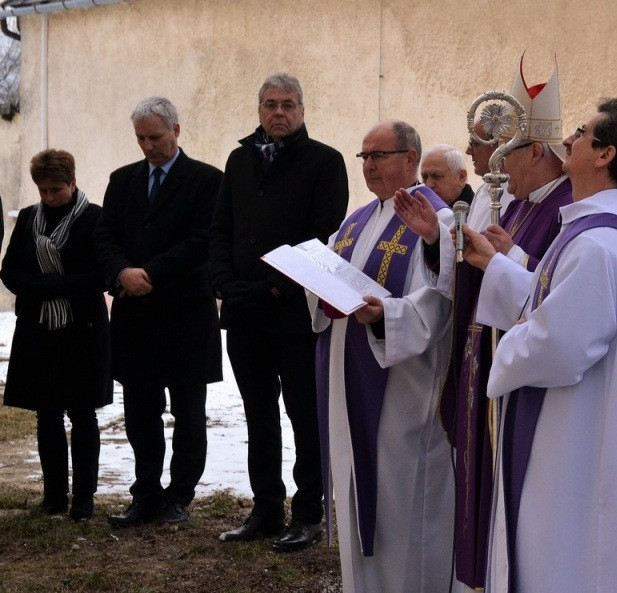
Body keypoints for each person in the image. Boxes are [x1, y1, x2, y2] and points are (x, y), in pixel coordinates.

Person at [463, 99, 617, 592]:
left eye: (581, 132)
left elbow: (558, 345)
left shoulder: (597, 243)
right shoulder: (611, 234)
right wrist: (495, 265)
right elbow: (553, 301)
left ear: (605, 155)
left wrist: (503, 356)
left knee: (572, 557)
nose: (567, 140)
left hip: (575, 439)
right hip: (595, 423)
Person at [395, 58, 573, 591]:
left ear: (535, 151)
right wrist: (437, 241)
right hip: (482, 364)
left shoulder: (566, 209)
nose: (492, 164)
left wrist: (506, 258)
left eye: (503, 151)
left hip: (524, 378)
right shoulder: (511, 202)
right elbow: (471, 281)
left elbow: (556, 295)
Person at [309, 120, 455, 593]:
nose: (369, 165)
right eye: (364, 156)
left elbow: (441, 301)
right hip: (348, 378)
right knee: (356, 486)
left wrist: (385, 316)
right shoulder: (356, 221)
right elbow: (332, 282)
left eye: (379, 155)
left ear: (410, 158)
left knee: (401, 501)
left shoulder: (437, 220)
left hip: (403, 390)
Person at [210, 73, 349, 550]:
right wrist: (223, 283)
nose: (279, 113)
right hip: (243, 312)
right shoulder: (239, 159)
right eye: (270, 104)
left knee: (304, 415)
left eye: (288, 105)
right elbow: (221, 228)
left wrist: (274, 287)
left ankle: (308, 513)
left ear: (303, 111)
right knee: (258, 415)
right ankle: (266, 508)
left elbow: (323, 236)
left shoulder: (324, 162)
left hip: (293, 312)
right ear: (259, 110)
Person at [94, 97, 223, 527]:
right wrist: (121, 273)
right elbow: (105, 236)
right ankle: (145, 493)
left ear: (176, 131)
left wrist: (148, 273)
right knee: (140, 415)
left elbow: (203, 242)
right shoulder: (122, 180)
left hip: (186, 316)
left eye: (155, 137)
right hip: (135, 318)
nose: (148, 146)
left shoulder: (207, 181)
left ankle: (179, 496)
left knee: (189, 415)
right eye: (141, 139)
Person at [1, 149, 112, 522]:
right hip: (39, 329)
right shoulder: (29, 218)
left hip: (83, 330)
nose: (49, 197)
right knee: (46, 413)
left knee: (82, 414)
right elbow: (10, 270)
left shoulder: (94, 218)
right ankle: (53, 496)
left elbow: (102, 274)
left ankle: (83, 498)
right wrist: (41, 287)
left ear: (73, 183)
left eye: (56, 190)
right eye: (43, 190)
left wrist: (55, 286)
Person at [465, 120, 513, 231]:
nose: (468, 151)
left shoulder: (516, 193)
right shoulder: (482, 189)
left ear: (498, 146)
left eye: (474, 144)